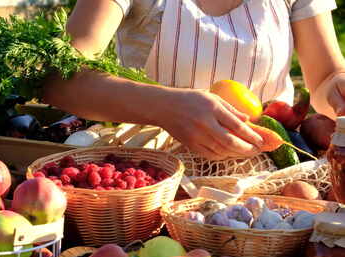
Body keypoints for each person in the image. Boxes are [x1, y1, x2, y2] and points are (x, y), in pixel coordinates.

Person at [42, 0, 345, 160]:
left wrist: (338, 86)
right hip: (154, 180)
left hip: (273, 187)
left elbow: (325, 78)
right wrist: (165, 107)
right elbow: (62, 78)